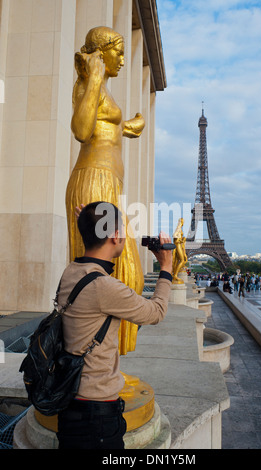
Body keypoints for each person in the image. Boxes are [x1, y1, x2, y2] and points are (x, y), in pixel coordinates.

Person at [56, 202, 173, 449]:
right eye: (122, 230)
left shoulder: (71, 272)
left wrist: (88, 224)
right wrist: (166, 267)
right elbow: (156, 312)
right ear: (113, 236)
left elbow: (103, 281)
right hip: (96, 413)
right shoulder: (103, 287)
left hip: (69, 401)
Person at [66, 26, 146, 356]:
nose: (124, 59)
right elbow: (82, 129)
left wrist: (130, 126)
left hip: (108, 184)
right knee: (117, 276)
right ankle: (93, 357)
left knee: (123, 276)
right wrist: (95, 76)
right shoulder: (89, 84)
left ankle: (106, 359)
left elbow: (106, 127)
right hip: (93, 182)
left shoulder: (104, 93)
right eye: (119, 51)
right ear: (101, 54)